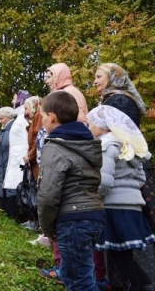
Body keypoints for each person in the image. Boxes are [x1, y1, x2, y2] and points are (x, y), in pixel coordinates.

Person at [93, 63, 154, 288]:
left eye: (99, 76)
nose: (95, 81)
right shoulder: (117, 98)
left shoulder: (118, 101)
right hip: (127, 179)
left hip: (119, 183)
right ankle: (141, 284)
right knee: (122, 254)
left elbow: (119, 137)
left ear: (113, 77)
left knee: (121, 253)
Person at [37, 91, 105, 290]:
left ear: (52, 117)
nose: (41, 122)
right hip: (95, 216)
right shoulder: (86, 144)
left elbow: (48, 193)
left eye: (41, 116)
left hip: (72, 219)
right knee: (73, 272)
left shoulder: (55, 146)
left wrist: (48, 229)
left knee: (80, 283)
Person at [5, 90, 31, 221]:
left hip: (21, 157)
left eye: (14, 98)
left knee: (20, 186)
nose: (12, 101)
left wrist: (27, 156)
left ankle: (22, 217)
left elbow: (28, 138)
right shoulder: (19, 118)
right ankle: (14, 217)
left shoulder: (24, 119)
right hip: (15, 156)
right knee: (13, 186)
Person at [0, 107, 17, 219]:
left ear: (8, 117)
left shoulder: (13, 129)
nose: (0, 121)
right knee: (4, 188)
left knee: (11, 189)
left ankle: (14, 216)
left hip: (10, 165)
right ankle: (6, 215)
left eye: (1, 118)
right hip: (2, 164)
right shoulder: (3, 131)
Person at [23, 96, 43, 181]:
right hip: (35, 159)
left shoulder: (38, 115)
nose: (25, 112)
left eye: (26, 108)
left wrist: (30, 155)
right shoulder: (35, 117)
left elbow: (38, 138)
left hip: (37, 160)